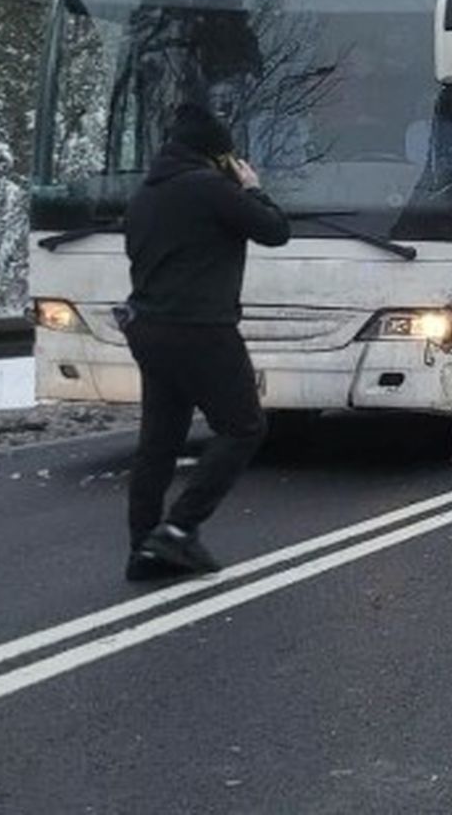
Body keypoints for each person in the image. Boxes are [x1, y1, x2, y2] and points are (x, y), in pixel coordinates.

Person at [120, 102, 291, 580]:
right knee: (244, 427)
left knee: (159, 441)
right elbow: (276, 232)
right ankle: (177, 531)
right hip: (202, 328)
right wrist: (253, 189)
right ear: (218, 156)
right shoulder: (210, 189)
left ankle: (143, 548)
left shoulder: (146, 194)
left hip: (148, 328)